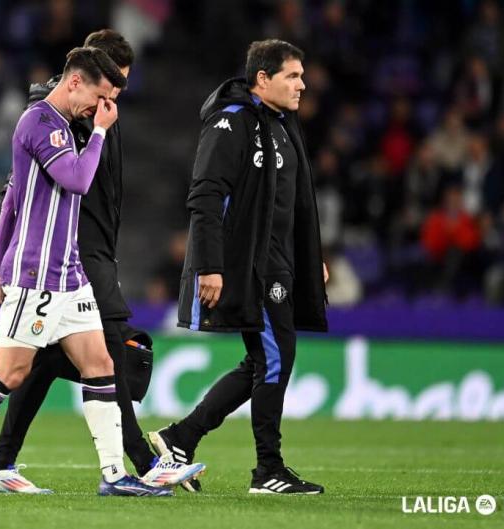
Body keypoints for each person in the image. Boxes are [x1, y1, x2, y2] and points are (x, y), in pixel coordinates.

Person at [0, 46, 171, 497]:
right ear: (75, 81)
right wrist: (99, 133)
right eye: (97, 97)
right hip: (37, 272)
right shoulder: (40, 123)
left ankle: (115, 475)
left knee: (101, 366)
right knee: (10, 373)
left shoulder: (63, 126)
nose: (99, 109)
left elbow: (15, 199)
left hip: (70, 272)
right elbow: (75, 180)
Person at [148, 39, 329, 495]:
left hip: (281, 264)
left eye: (302, 75)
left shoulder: (283, 126)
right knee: (273, 360)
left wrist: (311, 259)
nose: (302, 84)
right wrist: (210, 264)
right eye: (292, 75)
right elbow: (206, 196)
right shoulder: (232, 124)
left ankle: (180, 437)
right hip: (250, 266)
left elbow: (292, 204)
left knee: (265, 360)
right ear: (262, 78)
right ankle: (268, 469)